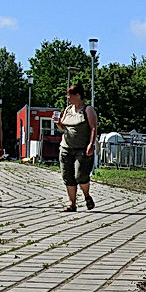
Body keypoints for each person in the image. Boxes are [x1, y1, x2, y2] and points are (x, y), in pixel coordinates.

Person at [55, 83, 98, 211]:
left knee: (80, 175)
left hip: (82, 148)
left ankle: (87, 196)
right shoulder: (68, 110)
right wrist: (57, 123)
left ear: (78, 95)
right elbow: (63, 128)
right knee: (67, 175)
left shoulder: (88, 110)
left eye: (70, 95)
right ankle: (71, 204)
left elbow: (93, 128)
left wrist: (91, 144)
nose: (68, 98)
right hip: (66, 147)